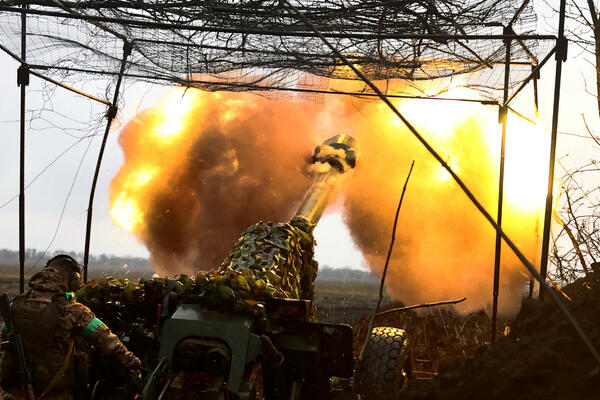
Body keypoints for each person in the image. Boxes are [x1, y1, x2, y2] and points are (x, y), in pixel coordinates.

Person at [0, 254, 141, 400]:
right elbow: (109, 342)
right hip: (54, 394)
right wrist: (133, 362)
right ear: (74, 280)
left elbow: (4, 338)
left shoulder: (15, 305)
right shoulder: (73, 310)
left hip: (13, 393)